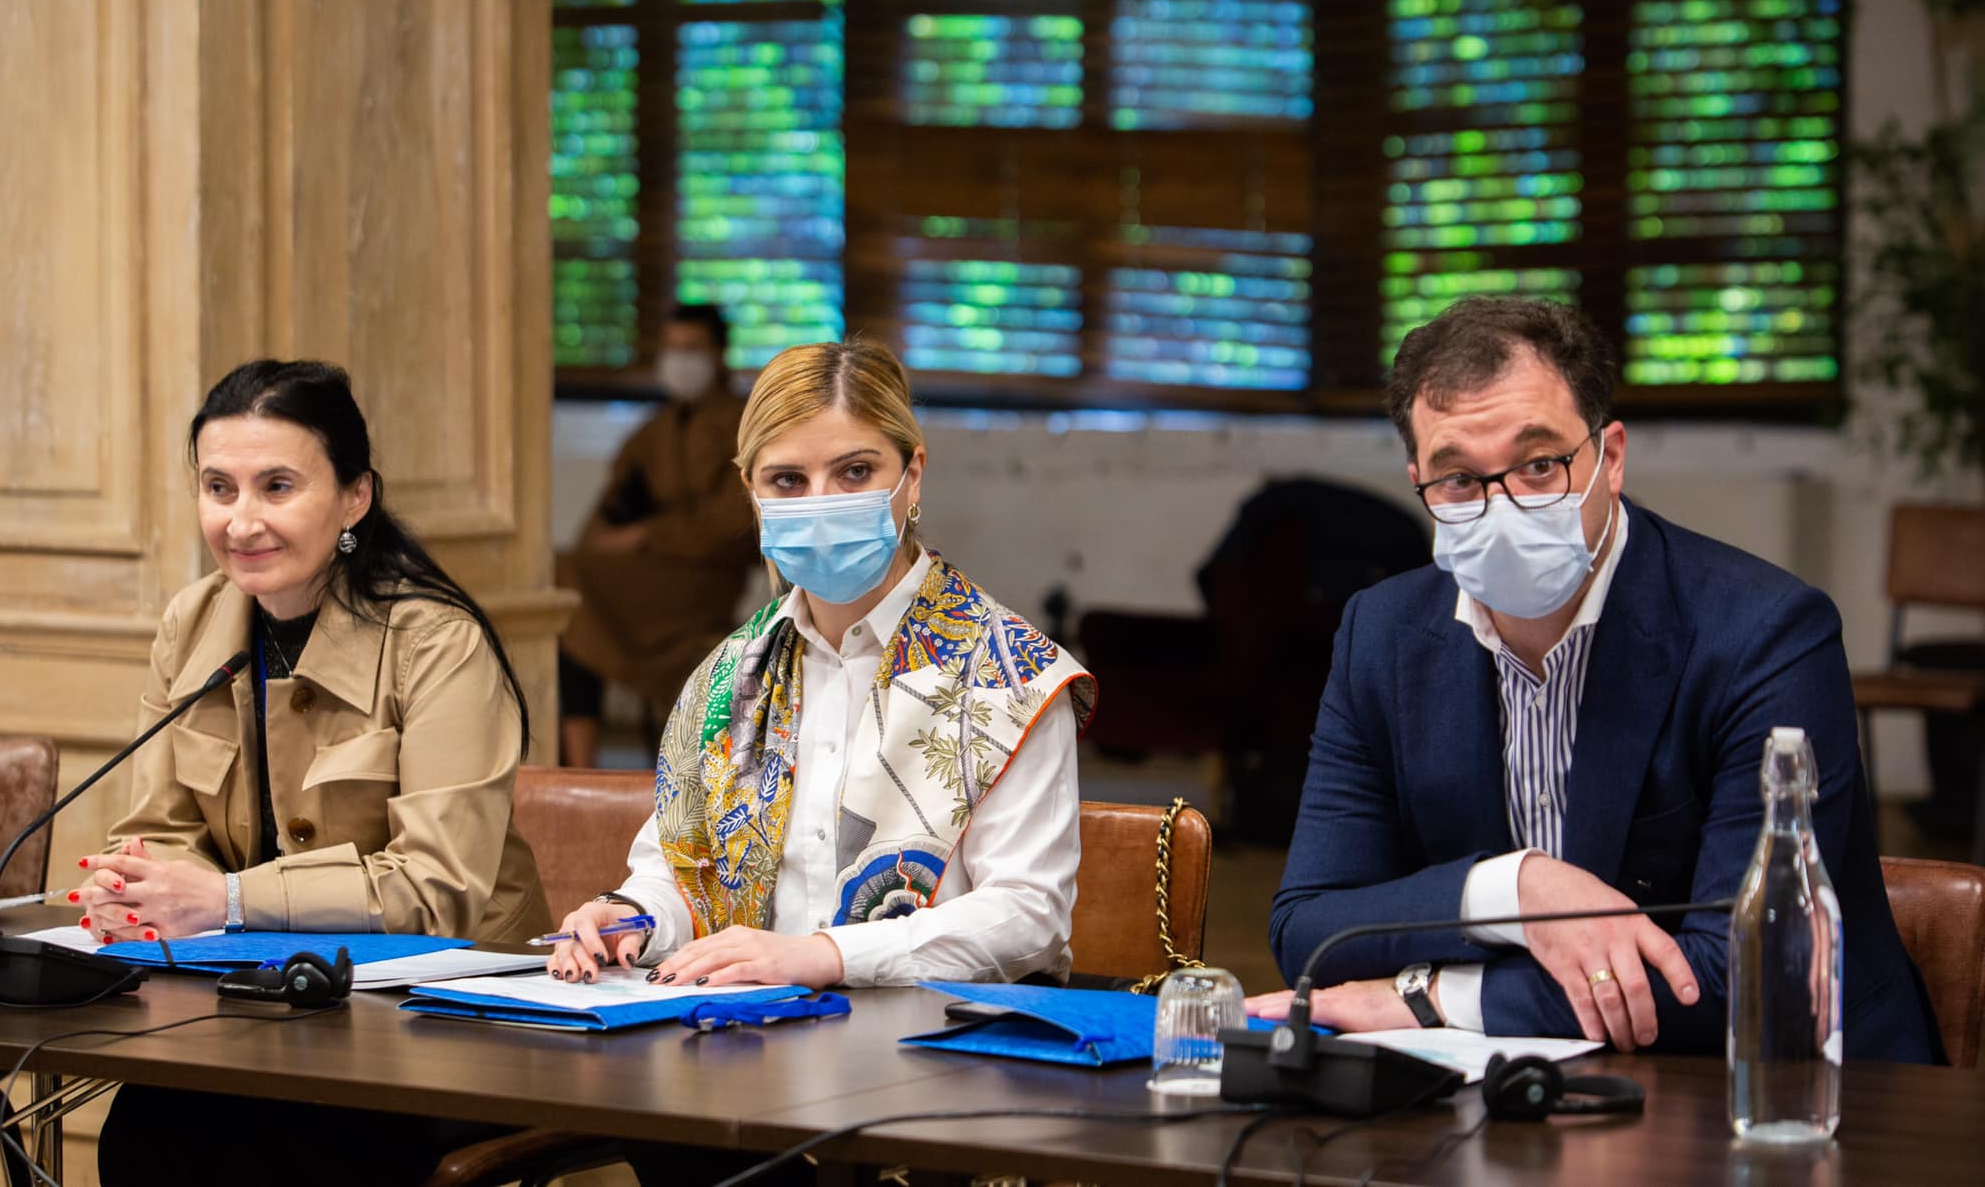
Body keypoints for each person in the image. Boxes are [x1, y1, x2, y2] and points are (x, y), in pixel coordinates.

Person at [1252, 297, 1941, 1064]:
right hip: (1505, 1095)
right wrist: (1514, 890)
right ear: (1419, 483)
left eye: (1539, 465)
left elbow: (1737, 972)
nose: (1502, 505)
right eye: (1458, 479)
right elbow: (1310, 927)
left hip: (1786, 1087)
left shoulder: (1766, 634)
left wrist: (1429, 996)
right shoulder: (1381, 636)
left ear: (1609, 458)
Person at [545, 339, 1095, 1182]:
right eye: (787, 481)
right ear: (751, 493)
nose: (822, 503)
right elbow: (680, 873)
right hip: (747, 1064)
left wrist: (823, 955)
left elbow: (1029, 915)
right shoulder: (729, 676)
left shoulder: (1009, 676)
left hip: (937, 1072)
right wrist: (628, 917)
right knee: (658, 1121)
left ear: (913, 475)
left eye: (855, 471)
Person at [77, 359, 547, 1184]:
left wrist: (223, 899)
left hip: (443, 1016)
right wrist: (139, 888)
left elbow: (437, 889)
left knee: (276, 1149)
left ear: (354, 497)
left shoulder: (437, 641)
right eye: (218, 488)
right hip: (265, 1008)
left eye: (278, 487)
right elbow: (157, 829)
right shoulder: (193, 623)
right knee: (147, 1131)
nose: (242, 521)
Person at [557, 303, 757, 766]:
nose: (679, 360)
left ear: (719, 353)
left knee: (568, 589)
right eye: (671, 348)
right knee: (564, 592)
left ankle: (580, 767)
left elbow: (733, 527)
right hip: (641, 580)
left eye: (692, 349)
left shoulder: (745, 426)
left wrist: (646, 535)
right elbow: (604, 519)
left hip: (703, 584)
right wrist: (620, 535)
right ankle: (579, 766)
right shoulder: (652, 433)